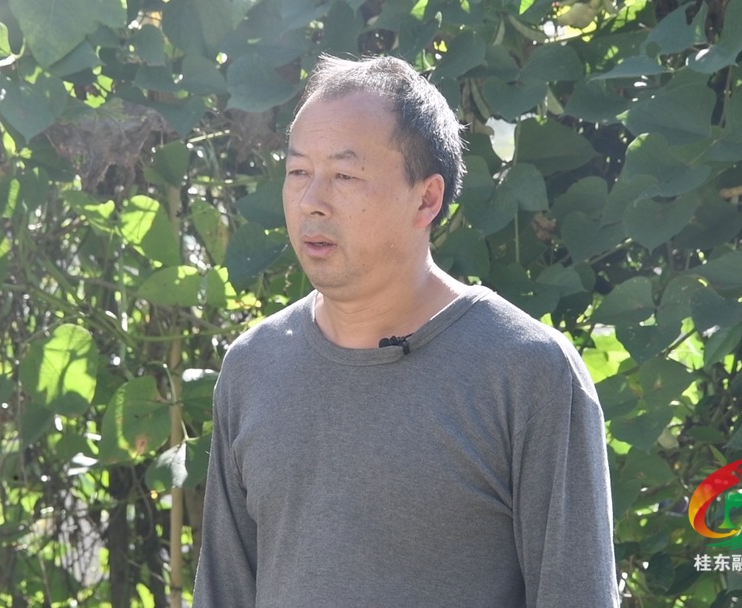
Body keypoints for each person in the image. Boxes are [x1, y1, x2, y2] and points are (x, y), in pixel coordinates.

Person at [192, 55, 618, 607]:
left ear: (426, 199)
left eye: (344, 176)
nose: (310, 201)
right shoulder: (254, 365)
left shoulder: (527, 370)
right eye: (298, 172)